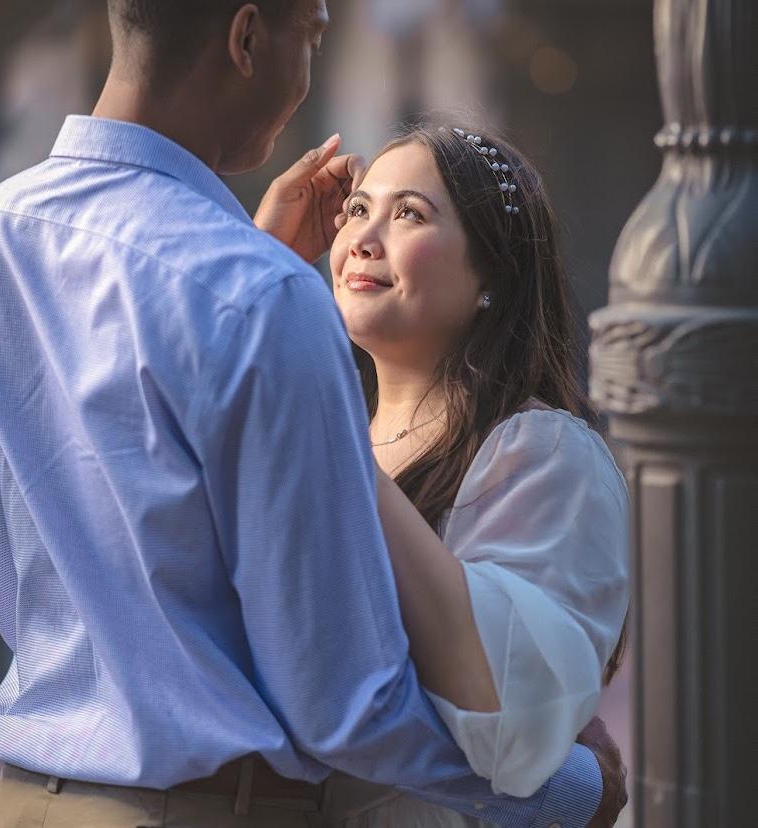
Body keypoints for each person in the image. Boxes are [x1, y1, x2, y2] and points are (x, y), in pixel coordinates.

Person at [0, 2, 625, 826]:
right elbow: (343, 705)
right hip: (194, 808)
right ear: (247, 36)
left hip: (22, 798)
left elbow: (54, 577)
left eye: (408, 213)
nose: (360, 235)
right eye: (316, 36)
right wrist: (562, 792)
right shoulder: (258, 293)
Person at [257, 122, 630, 826]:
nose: (364, 239)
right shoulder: (327, 438)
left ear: (492, 274)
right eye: (357, 210)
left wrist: (324, 430)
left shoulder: (540, 454)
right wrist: (259, 265)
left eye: (409, 215)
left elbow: (512, 720)